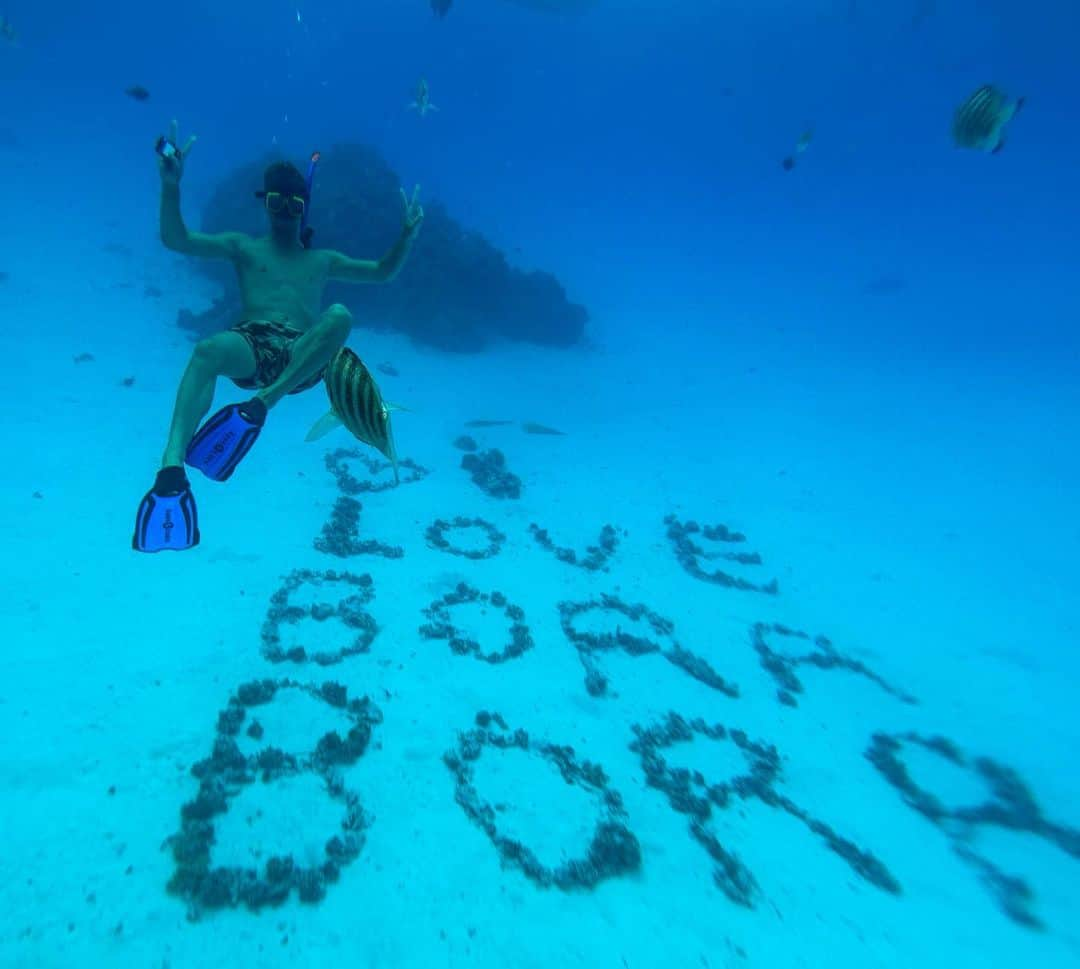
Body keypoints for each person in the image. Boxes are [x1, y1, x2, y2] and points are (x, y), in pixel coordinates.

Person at [132, 120, 424, 553]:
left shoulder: (323, 260)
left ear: (303, 207)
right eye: (276, 202)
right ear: (264, 206)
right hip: (251, 343)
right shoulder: (243, 247)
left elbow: (382, 273)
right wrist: (170, 185)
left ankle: (260, 406)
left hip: (299, 357)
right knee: (207, 349)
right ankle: (171, 467)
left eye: (293, 204)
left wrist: (405, 236)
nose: (285, 211)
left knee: (340, 315)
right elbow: (176, 239)